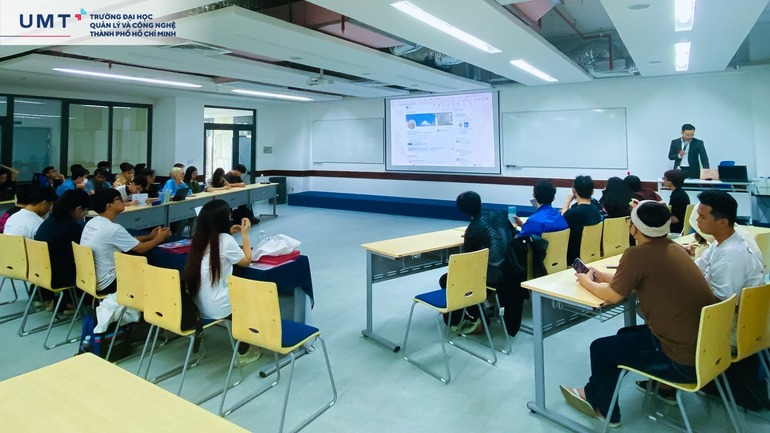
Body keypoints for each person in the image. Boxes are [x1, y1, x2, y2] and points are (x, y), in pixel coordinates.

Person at [559, 201, 718, 427]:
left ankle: (604, 410)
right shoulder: (674, 248)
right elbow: (640, 278)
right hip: (704, 351)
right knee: (624, 334)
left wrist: (585, 281)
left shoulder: (637, 254)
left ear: (633, 227)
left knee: (600, 348)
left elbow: (613, 296)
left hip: (680, 361)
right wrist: (602, 277)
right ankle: (662, 391)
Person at [180, 199, 260, 363]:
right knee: (252, 298)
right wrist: (245, 235)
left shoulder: (199, 239)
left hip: (198, 306)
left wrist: (228, 232)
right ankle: (245, 350)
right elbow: (246, 261)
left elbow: (219, 246)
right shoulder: (225, 240)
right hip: (218, 307)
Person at [442, 191, 524, 336]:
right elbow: (512, 233)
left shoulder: (473, 230)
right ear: (480, 202)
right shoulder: (499, 214)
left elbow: (470, 260)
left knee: (447, 280)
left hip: (495, 275)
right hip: (512, 269)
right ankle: (484, 306)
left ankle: (477, 318)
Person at [80, 189, 170, 295]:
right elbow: (141, 248)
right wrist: (160, 238)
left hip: (90, 280)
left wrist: (150, 237)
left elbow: (129, 242)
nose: (123, 201)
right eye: (119, 199)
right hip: (108, 283)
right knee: (146, 263)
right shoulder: (112, 228)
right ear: (109, 205)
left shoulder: (93, 222)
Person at [693, 190, 765, 300]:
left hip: (731, 309)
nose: (697, 220)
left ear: (723, 222)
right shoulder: (721, 242)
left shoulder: (732, 254)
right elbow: (697, 268)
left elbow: (724, 301)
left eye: (702, 217)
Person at [34, 190, 90, 312]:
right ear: (78, 209)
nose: (83, 215)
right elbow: (81, 255)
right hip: (58, 277)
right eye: (85, 211)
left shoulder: (49, 221)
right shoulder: (71, 227)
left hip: (40, 272)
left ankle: (65, 302)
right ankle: (70, 303)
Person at [561, 175, 603, 265]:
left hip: (574, 257)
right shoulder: (595, 209)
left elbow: (563, 217)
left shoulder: (575, 213)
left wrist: (567, 201)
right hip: (591, 252)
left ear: (574, 191)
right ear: (592, 191)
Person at [663, 169, 690, 233]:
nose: (663, 180)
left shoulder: (676, 196)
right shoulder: (681, 193)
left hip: (677, 229)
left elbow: (674, 219)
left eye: (664, 178)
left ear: (670, 182)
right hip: (681, 225)